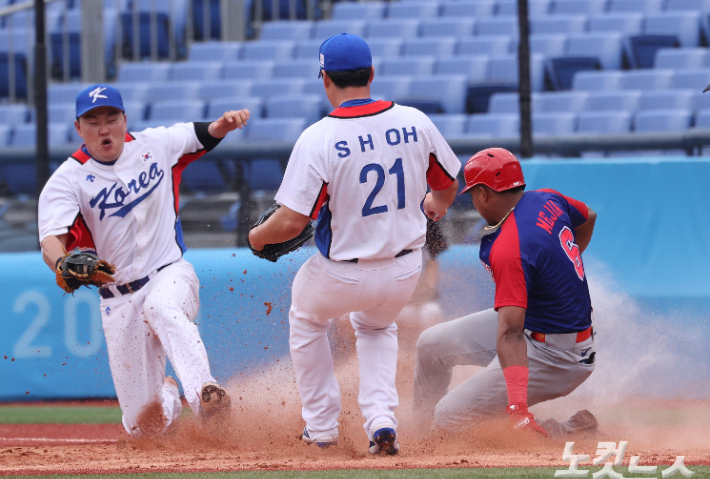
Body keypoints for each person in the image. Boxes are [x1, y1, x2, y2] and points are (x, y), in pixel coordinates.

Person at [248, 33, 461, 454]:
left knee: (308, 320)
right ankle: (381, 419)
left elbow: (292, 220)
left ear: (324, 78)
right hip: (404, 268)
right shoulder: (415, 121)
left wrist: (256, 238)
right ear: (372, 74)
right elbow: (449, 183)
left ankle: (322, 427)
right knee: (378, 326)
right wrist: (435, 204)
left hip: (342, 272)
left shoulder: (319, 137)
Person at [38, 84, 250, 437]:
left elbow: (202, 134)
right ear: (79, 128)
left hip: (170, 273)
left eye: (111, 118)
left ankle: (205, 396)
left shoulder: (156, 144)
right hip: (118, 300)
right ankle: (167, 395)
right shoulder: (67, 181)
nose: (104, 128)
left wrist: (224, 124)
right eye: (93, 121)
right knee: (143, 429)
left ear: (124, 119)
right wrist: (61, 265)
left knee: (161, 308)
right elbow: (50, 241)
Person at [413, 148, 599, 437]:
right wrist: (555, 266)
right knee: (430, 344)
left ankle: (572, 433)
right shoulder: (547, 199)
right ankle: (422, 438)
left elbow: (511, 334)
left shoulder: (511, 246)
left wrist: (517, 408)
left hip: (557, 354)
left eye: (474, 193)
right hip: (537, 323)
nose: (473, 200)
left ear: (485, 194)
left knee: (450, 416)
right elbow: (588, 216)